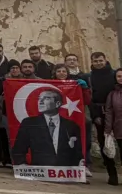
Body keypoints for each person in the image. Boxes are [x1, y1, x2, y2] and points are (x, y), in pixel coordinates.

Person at [11, 90, 84, 167]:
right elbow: (18, 150)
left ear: (57, 104)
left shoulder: (71, 126)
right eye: (39, 98)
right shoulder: (29, 123)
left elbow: (77, 153)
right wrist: (22, 164)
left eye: (46, 98)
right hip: (39, 173)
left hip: (64, 174)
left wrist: (80, 164)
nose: (40, 102)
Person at [85, 52, 118, 184]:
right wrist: (95, 115)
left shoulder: (114, 75)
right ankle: (112, 174)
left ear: (105, 60)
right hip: (100, 114)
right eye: (95, 61)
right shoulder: (89, 77)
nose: (98, 63)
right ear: (92, 62)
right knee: (104, 143)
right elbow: (90, 99)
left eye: (100, 60)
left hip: (117, 113)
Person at [103, 68, 122, 185]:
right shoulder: (112, 94)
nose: (121, 78)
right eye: (119, 76)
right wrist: (108, 130)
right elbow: (109, 113)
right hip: (119, 128)